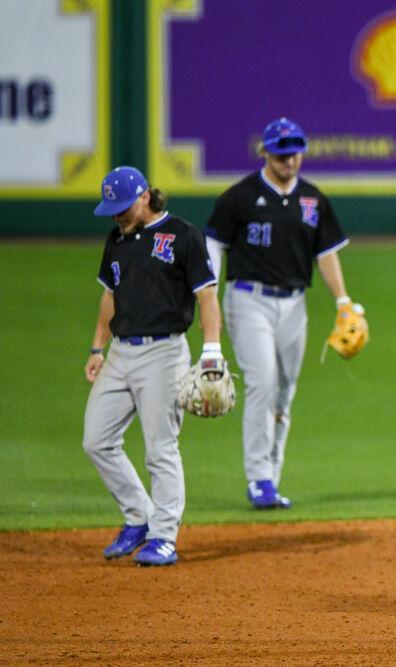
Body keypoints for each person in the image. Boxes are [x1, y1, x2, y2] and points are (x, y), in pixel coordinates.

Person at [204, 117, 358, 509]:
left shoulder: (313, 199)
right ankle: (258, 479)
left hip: (294, 304)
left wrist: (342, 301)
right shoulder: (239, 197)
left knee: (284, 392)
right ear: (265, 153)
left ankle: (271, 476)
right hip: (247, 299)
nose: (289, 160)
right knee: (264, 383)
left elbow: (326, 255)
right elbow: (214, 245)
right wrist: (207, 295)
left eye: (294, 151)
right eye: (281, 152)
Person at [84, 166, 223, 566]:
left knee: (160, 448)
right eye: (111, 210)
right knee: (96, 440)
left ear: (145, 196)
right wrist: (97, 348)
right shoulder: (116, 239)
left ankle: (164, 536)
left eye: (122, 207)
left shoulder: (184, 236)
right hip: (119, 354)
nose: (117, 216)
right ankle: (138, 517)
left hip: (163, 354)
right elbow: (109, 296)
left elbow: (207, 296)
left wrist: (211, 350)